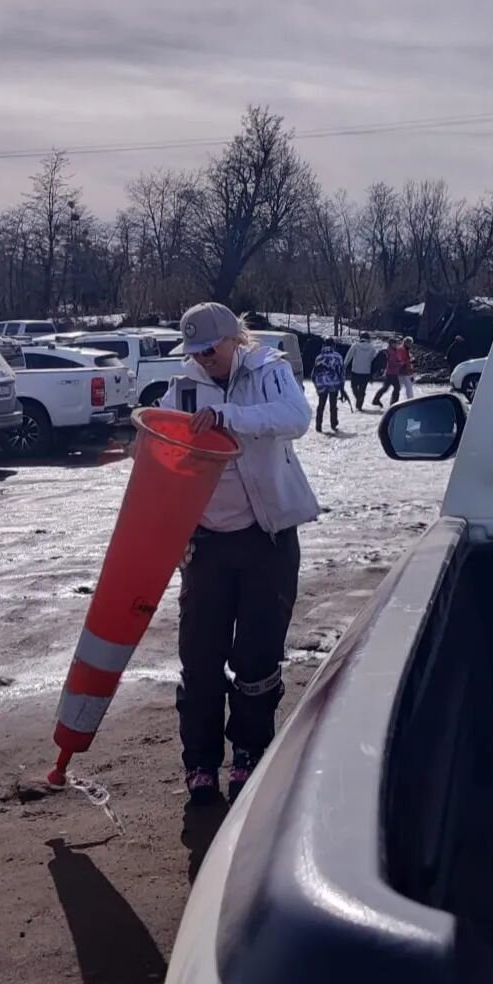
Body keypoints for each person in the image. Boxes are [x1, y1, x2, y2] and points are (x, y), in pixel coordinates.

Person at [159, 302, 319, 806]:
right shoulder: (183, 386)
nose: (204, 359)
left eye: (210, 349)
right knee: (200, 658)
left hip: (266, 537)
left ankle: (249, 752)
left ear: (234, 340)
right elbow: (161, 449)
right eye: (196, 352)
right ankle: (201, 762)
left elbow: (296, 419)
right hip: (206, 542)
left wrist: (228, 416)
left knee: (256, 656)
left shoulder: (268, 371)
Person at [312, 338, 345, 432]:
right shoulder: (338, 357)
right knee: (333, 405)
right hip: (334, 384)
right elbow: (341, 372)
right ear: (333, 345)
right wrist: (342, 386)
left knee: (321, 405)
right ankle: (333, 423)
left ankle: (318, 425)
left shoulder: (319, 357)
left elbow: (314, 373)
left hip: (321, 384)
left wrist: (316, 384)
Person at [343, 331, 376, 410]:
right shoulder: (372, 348)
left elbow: (349, 356)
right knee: (362, 389)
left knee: (353, 386)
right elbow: (373, 359)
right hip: (366, 371)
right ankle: (359, 404)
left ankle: (358, 398)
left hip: (355, 370)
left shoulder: (355, 346)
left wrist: (344, 366)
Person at [372, 339, 404, 408]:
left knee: (386, 388)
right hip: (391, 373)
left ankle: (376, 400)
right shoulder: (390, 351)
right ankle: (394, 404)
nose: (396, 344)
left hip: (392, 372)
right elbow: (392, 363)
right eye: (395, 343)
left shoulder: (394, 351)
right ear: (391, 344)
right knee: (396, 388)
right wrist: (400, 364)